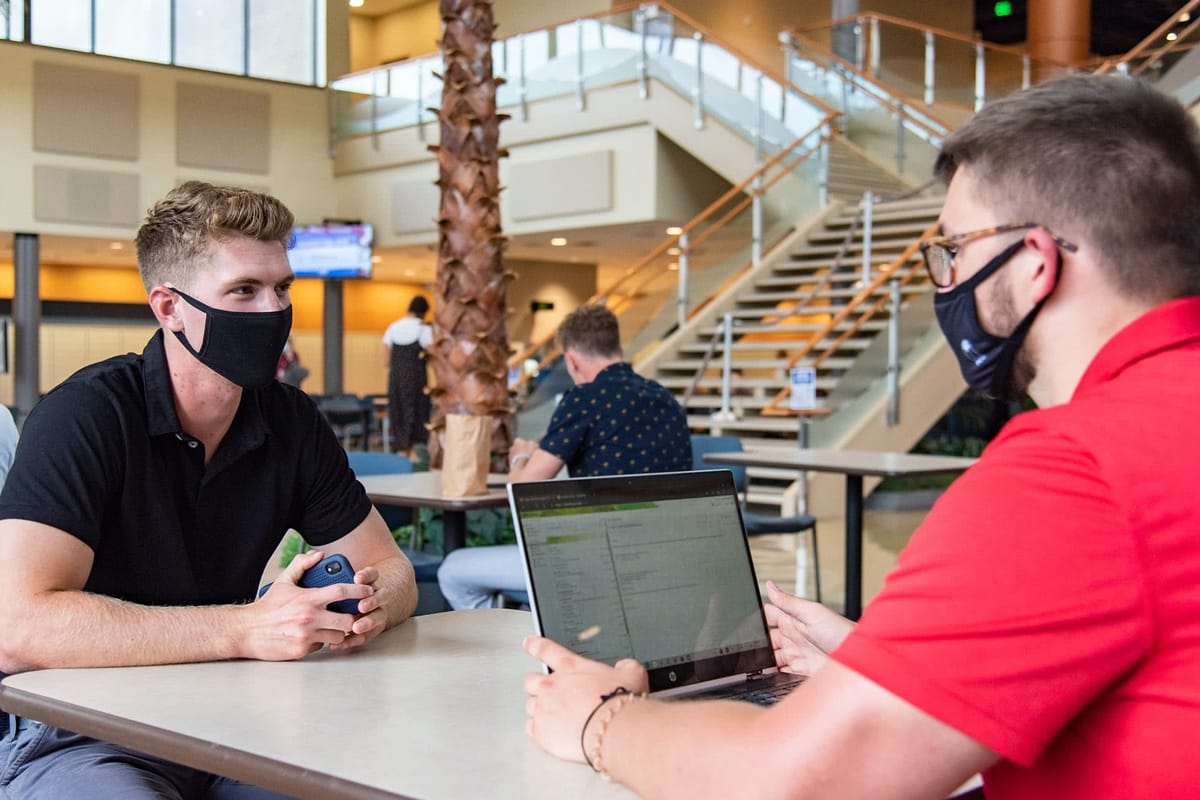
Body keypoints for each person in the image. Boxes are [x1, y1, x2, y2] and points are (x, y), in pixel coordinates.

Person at [521, 74, 1200, 798]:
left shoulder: (1073, 471)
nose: (947, 281)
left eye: (954, 251)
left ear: (1036, 263)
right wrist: (882, 666)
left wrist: (598, 720)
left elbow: (790, 783)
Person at [0, 181, 418, 799]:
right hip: (83, 732)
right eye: (243, 291)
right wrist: (247, 628)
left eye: (282, 289)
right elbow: (17, 626)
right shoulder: (85, 416)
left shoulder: (291, 420)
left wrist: (371, 601)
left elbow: (391, 566)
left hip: (240, 722)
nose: (271, 311)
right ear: (169, 308)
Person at [437, 303, 693, 609]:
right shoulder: (665, 399)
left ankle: (522, 652)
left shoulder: (585, 398)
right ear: (619, 349)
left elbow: (521, 488)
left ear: (571, 361)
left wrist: (520, 457)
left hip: (595, 560)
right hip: (668, 556)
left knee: (453, 570)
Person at [381, 295, 433, 457]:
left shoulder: (393, 327)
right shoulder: (424, 328)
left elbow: (385, 361)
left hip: (396, 381)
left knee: (399, 416)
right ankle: (416, 457)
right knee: (418, 418)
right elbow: (434, 355)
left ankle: (401, 456)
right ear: (424, 312)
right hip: (417, 382)